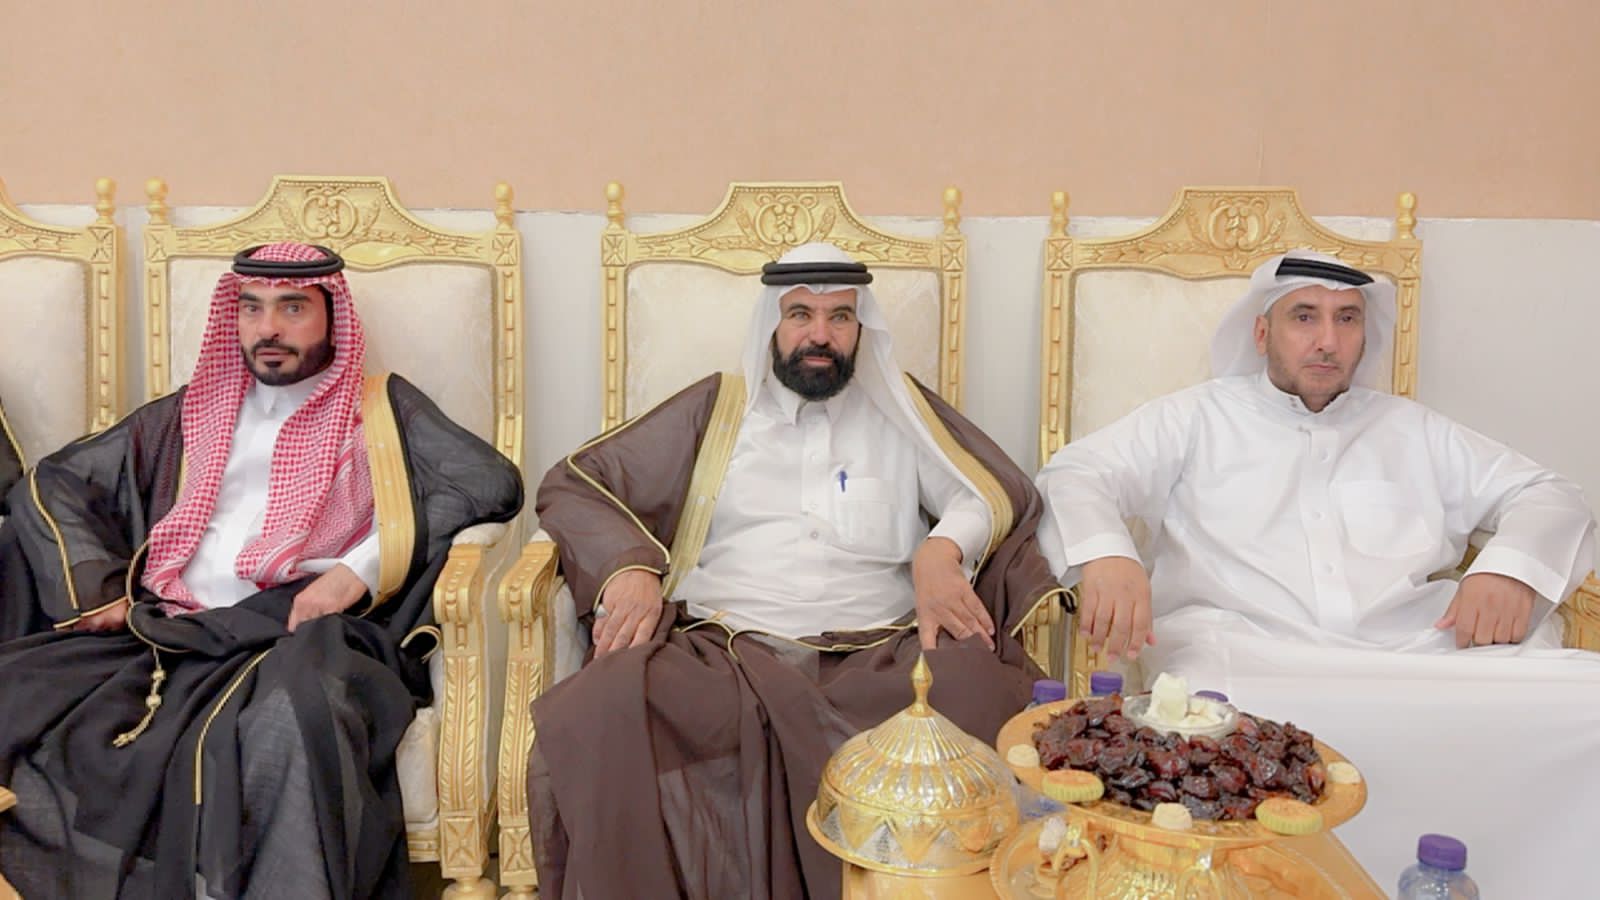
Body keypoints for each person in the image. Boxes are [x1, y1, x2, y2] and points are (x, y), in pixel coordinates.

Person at [1035, 249, 1599, 893]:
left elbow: (1551, 494)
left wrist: (1510, 570)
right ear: (1261, 332)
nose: (1327, 340)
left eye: (1347, 319)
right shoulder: (1194, 417)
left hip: (1416, 653)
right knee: (1211, 731)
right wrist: (1109, 553)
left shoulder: (1415, 430)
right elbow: (1078, 472)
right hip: (1247, 655)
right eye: (1304, 316)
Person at [527, 242, 1060, 900]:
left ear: (861, 328)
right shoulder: (718, 411)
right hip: (728, 649)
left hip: (884, 652)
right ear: (772, 324)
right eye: (801, 314)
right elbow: (578, 483)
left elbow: (985, 493)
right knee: (609, 704)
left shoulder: (899, 412)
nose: (820, 335)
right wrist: (627, 568)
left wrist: (941, 549)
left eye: (840, 317)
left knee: (982, 691)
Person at [0, 242, 522, 899]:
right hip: (172, 627)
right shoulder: (191, 410)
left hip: (301, 630)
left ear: (332, 316)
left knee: (286, 724)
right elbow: (56, 481)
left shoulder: (381, 410)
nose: (268, 327)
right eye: (251, 308)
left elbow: (487, 482)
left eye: (292, 308)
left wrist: (356, 570)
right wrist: (99, 587)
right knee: (18, 698)